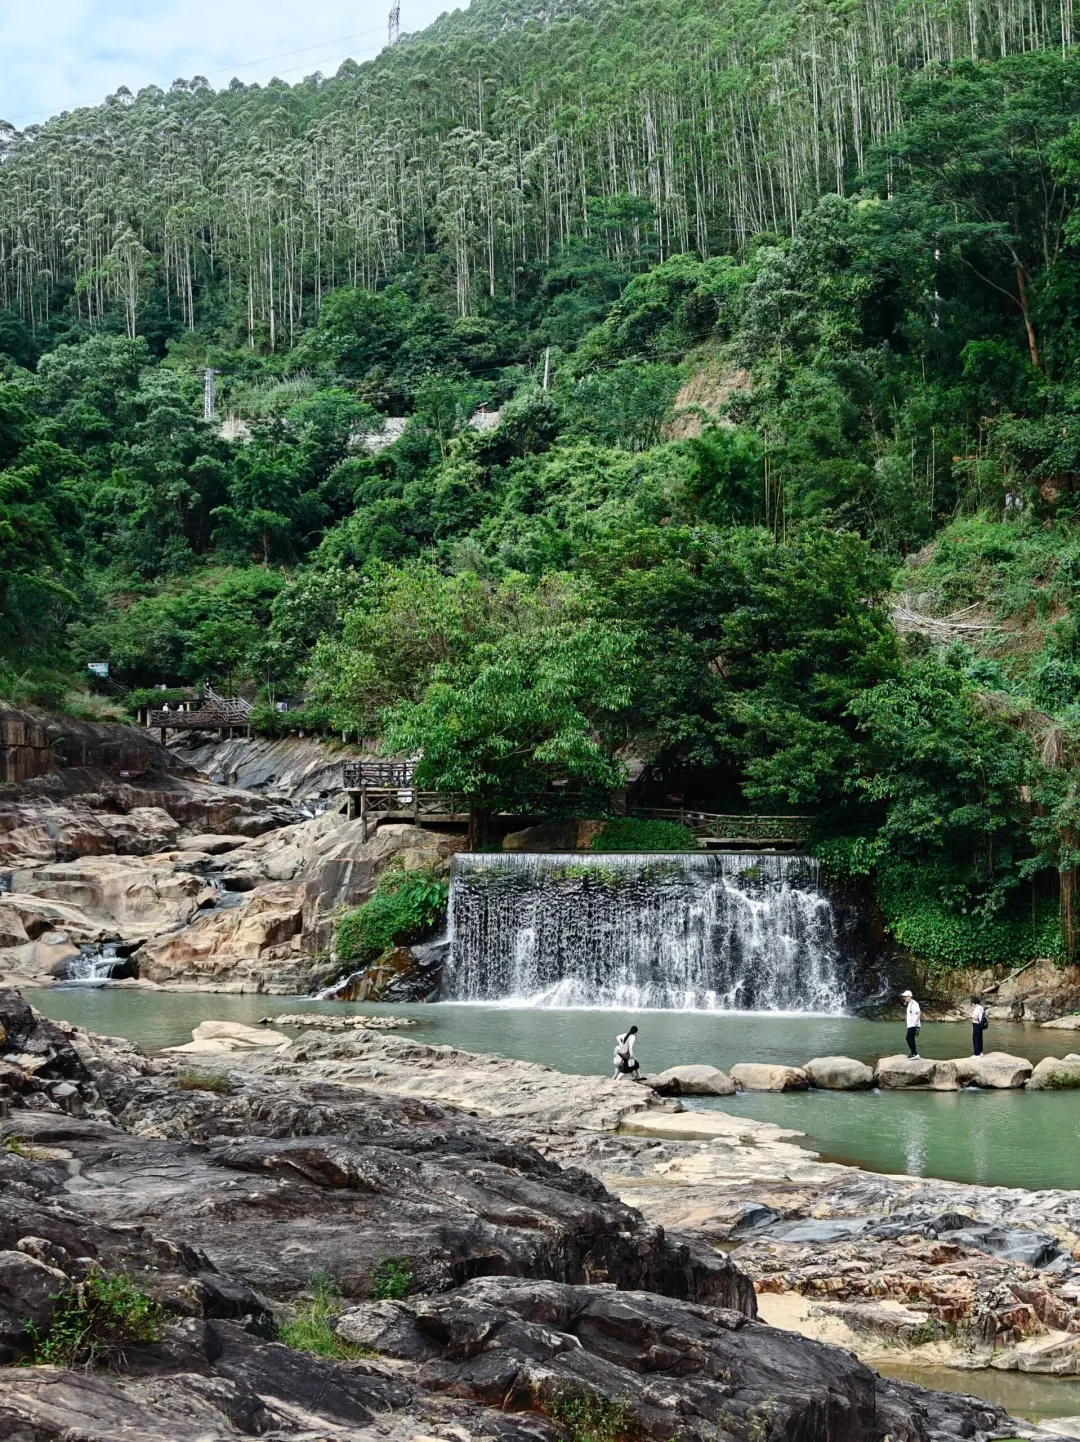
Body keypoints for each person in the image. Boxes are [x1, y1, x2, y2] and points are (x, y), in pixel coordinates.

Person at [901, 989, 922, 1058]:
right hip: (911, 1025)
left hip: (914, 1025)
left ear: (909, 997)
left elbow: (919, 1012)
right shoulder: (910, 1003)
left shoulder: (914, 1003)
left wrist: (916, 1022)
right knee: (911, 1039)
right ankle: (913, 1053)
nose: (904, 998)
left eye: (905, 996)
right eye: (903, 997)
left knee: (908, 1038)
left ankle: (915, 1054)